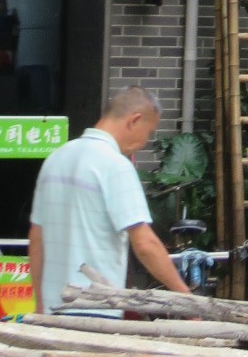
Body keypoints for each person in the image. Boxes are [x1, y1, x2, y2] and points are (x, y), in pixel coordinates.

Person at [28, 86, 192, 313]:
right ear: (134, 120)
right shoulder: (115, 165)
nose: (145, 142)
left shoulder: (56, 159)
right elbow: (145, 244)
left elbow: (36, 239)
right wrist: (187, 301)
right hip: (95, 311)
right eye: (149, 132)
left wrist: (39, 302)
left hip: (52, 309)